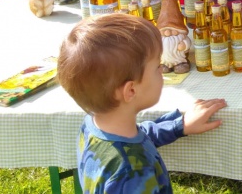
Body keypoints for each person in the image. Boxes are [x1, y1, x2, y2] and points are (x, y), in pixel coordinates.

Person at [58, 14, 228, 193]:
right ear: (131, 91)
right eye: (157, 66)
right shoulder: (131, 173)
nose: (162, 70)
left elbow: (141, 134)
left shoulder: (94, 125)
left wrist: (179, 126)